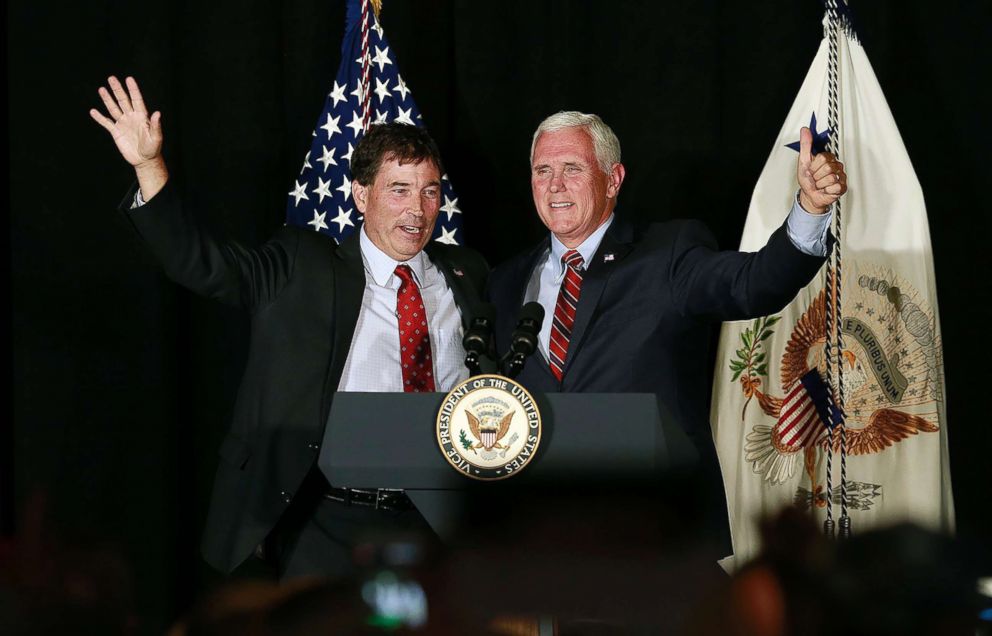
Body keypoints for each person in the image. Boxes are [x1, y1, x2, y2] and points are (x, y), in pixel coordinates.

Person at [90, 76, 488, 577]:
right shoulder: (305, 265)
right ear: (362, 196)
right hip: (327, 522)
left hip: (437, 520)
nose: (417, 209)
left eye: (430, 191)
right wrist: (149, 165)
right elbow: (206, 265)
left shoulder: (466, 272)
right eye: (400, 189)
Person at [486, 111, 847, 554]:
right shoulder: (504, 282)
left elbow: (755, 284)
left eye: (572, 169)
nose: (555, 184)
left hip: (657, 534)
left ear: (613, 179)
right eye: (543, 171)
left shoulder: (667, 254)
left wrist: (810, 209)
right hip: (542, 540)